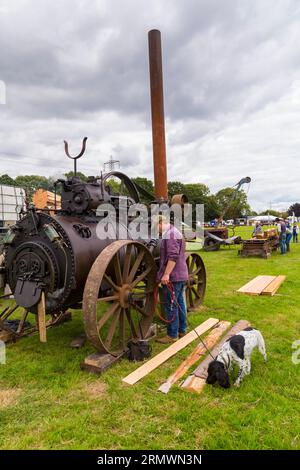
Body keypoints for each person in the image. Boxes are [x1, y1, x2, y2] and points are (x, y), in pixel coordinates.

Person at [155, 215, 189, 344]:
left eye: (156, 227)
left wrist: (166, 274)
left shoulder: (170, 234)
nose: (156, 230)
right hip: (180, 275)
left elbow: (173, 256)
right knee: (179, 303)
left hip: (174, 276)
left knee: (171, 305)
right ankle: (182, 330)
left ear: (160, 223)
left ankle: (172, 335)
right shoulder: (175, 231)